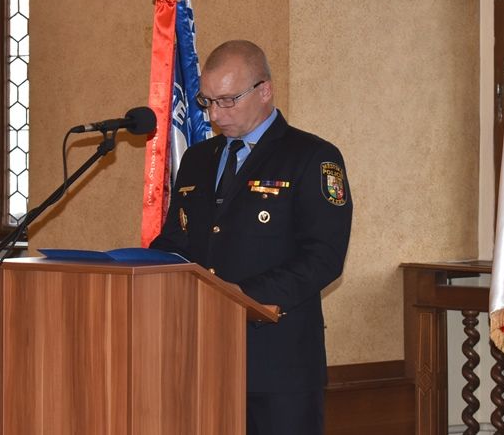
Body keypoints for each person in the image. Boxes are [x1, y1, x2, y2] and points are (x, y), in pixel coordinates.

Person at [151, 39, 353, 435]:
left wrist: (239, 296)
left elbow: (323, 257)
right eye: (207, 101)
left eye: (228, 100)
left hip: (279, 364)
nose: (214, 114)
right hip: (202, 356)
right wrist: (138, 268)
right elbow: (178, 239)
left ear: (265, 91)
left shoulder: (311, 157)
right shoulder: (197, 159)